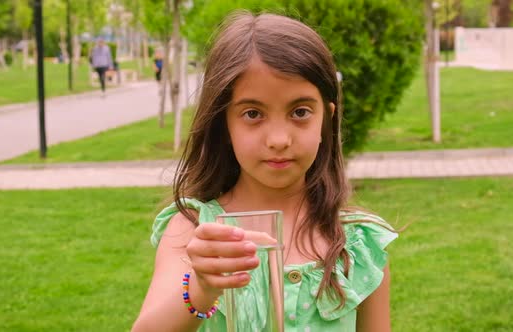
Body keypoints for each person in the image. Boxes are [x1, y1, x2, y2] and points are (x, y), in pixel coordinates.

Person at [132, 11, 398, 332]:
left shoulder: (359, 244)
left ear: (326, 119)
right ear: (223, 122)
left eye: (300, 112)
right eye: (253, 113)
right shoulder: (193, 231)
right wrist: (200, 289)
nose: (278, 140)